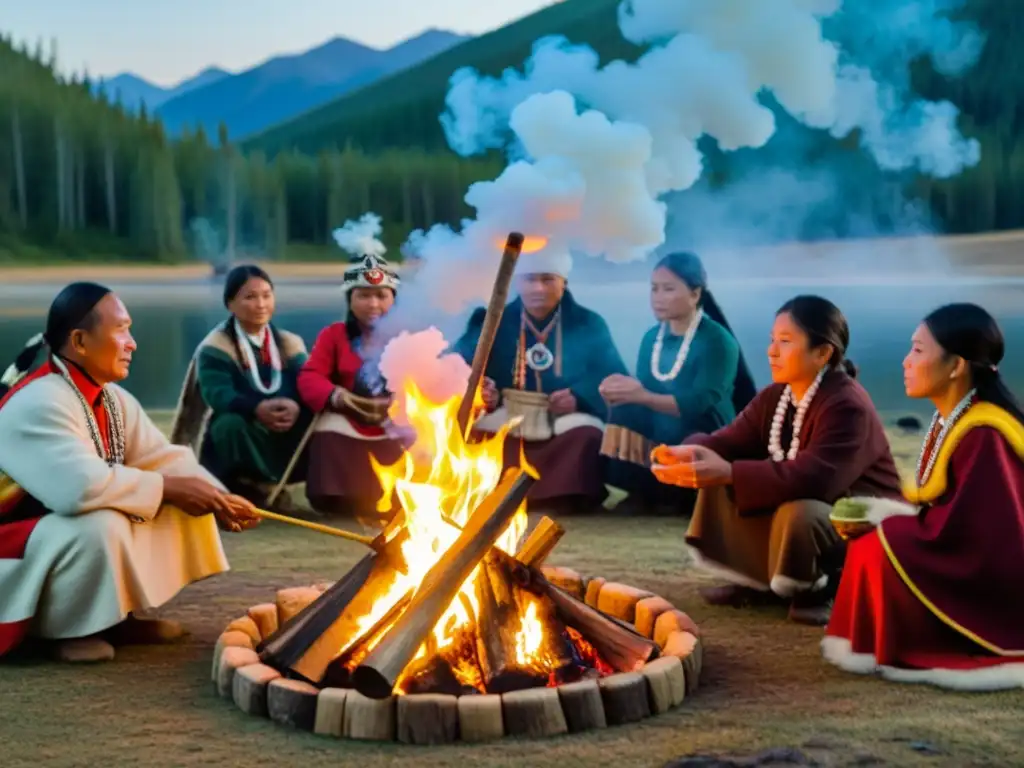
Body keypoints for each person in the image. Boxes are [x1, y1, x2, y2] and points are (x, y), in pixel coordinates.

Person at [0, 282, 258, 663]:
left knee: (171, 497)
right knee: (101, 523)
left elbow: (161, 459)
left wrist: (217, 497)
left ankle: (116, 617)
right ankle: (67, 630)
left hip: (43, 533)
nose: (132, 342)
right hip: (9, 543)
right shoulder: (39, 401)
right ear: (80, 341)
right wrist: (172, 488)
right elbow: (77, 491)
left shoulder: (112, 398)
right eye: (121, 329)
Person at [651, 295, 902, 625]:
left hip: (865, 519)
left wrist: (728, 472)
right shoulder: (777, 396)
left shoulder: (846, 405)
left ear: (823, 353)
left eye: (785, 342)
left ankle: (822, 588)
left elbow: (817, 479)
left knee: (800, 511)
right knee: (722, 478)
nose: (771, 351)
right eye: (772, 340)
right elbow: (729, 441)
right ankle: (760, 582)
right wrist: (690, 452)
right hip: (818, 503)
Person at [822, 303, 1024, 690]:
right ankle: (880, 642)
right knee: (871, 538)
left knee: (879, 541)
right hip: (954, 544)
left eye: (917, 350)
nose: (905, 362)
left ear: (956, 366)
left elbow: (978, 537)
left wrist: (889, 522)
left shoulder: (985, 433)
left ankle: (913, 641)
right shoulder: (950, 417)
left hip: (992, 577)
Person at [456, 243, 629, 513]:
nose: (538, 288)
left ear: (563, 282)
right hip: (507, 413)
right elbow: (458, 366)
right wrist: (481, 391)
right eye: (529, 280)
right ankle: (495, 494)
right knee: (472, 433)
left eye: (547, 280)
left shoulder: (588, 323)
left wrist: (580, 396)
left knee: (587, 436)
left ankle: (562, 496)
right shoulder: (490, 320)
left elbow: (614, 378)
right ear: (516, 282)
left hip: (563, 420)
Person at [599, 252, 757, 515]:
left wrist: (641, 396)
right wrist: (618, 392)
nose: (657, 297)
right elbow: (645, 390)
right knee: (623, 411)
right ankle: (643, 491)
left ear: (695, 294)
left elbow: (700, 403)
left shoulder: (717, 340)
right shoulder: (652, 338)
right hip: (663, 423)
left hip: (706, 427)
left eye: (668, 289)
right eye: (654, 289)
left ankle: (682, 495)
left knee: (688, 432)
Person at [169, 265, 312, 509]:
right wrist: (257, 408)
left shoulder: (289, 342)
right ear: (230, 304)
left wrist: (294, 405)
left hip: (286, 419)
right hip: (245, 422)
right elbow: (218, 395)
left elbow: (306, 382)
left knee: (318, 418)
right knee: (228, 425)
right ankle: (252, 484)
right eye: (250, 297)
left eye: (267, 295)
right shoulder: (216, 346)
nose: (260, 304)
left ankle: (287, 484)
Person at [297, 253, 406, 523]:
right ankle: (337, 498)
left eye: (381, 296)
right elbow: (311, 375)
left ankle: (403, 496)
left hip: (397, 416)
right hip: (350, 415)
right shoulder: (334, 335)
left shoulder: (410, 333)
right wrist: (335, 395)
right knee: (327, 426)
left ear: (393, 299)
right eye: (364, 296)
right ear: (350, 300)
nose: (373, 304)